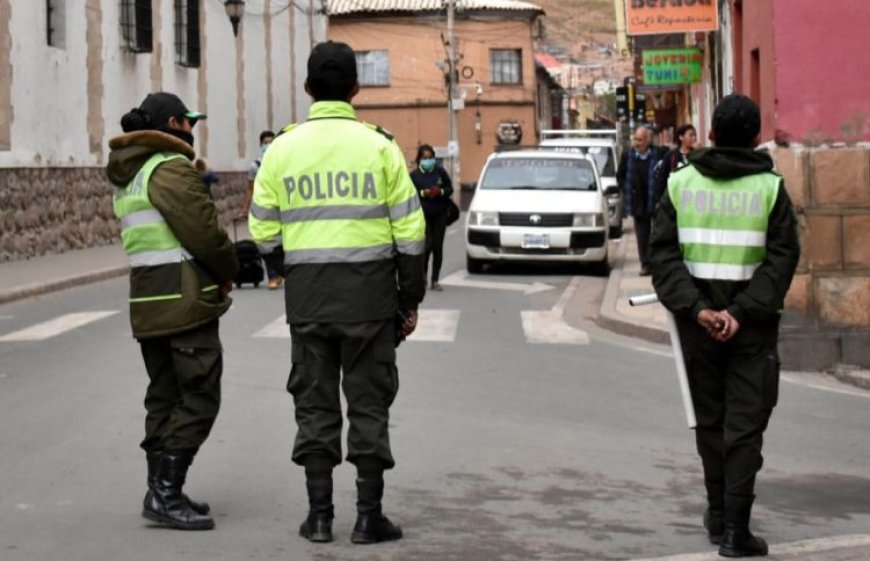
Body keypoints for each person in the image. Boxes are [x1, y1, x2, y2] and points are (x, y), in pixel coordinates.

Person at [248, 41, 426, 545]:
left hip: (308, 302)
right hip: (370, 303)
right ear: (355, 89)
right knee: (369, 405)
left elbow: (262, 231)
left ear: (307, 89)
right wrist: (407, 300)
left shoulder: (281, 149)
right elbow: (411, 235)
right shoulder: (380, 146)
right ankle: (369, 518)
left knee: (315, 405)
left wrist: (292, 270)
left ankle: (320, 517)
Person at [649, 94, 800, 557]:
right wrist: (740, 313)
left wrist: (698, 310)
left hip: (700, 329)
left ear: (711, 134)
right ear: (756, 137)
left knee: (711, 424)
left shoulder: (680, 183)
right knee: (744, 428)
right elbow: (781, 260)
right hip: (750, 331)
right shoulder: (770, 189)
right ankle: (736, 531)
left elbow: (662, 256)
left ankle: (717, 515)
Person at [106, 92, 239, 531]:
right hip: (183, 302)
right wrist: (228, 269)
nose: (193, 130)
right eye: (189, 122)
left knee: (164, 396)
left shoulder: (132, 174)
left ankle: (160, 489)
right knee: (200, 394)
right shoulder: (171, 168)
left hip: (148, 302)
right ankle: (165, 492)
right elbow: (203, 232)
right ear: (174, 123)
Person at [617, 125, 664, 275]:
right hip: (638, 200)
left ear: (648, 140)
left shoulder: (658, 154)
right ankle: (645, 264)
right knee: (642, 235)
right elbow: (620, 176)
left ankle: (657, 263)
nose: (637, 143)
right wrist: (627, 189)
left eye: (640, 140)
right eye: (635, 139)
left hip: (655, 199)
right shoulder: (627, 156)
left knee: (657, 234)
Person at [242, 130, 284, 290]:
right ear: (260, 145)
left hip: (279, 208)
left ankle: (281, 271)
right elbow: (250, 189)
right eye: (265, 143)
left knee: (280, 240)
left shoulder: (281, 162)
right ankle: (273, 276)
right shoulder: (255, 166)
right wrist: (244, 208)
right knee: (266, 240)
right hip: (262, 209)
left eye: (271, 142)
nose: (268, 145)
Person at [410, 144, 454, 291]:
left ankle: (435, 280)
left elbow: (449, 189)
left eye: (430, 158)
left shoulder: (440, 172)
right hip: (423, 215)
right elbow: (411, 193)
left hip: (440, 213)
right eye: (425, 158)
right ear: (419, 159)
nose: (427, 161)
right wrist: (424, 193)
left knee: (438, 247)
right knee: (427, 246)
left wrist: (440, 191)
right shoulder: (414, 175)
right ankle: (423, 277)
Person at [654, 124, 697, 203]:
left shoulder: (698, 155)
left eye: (695, 135)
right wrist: (658, 200)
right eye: (691, 135)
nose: (694, 138)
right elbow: (662, 179)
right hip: (675, 198)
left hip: (694, 197)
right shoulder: (671, 156)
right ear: (681, 137)